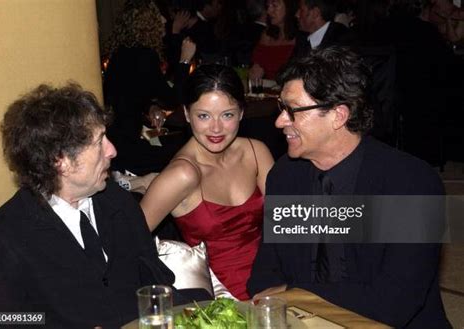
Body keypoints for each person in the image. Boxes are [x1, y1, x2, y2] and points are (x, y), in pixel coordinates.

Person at [247, 46, 451, 328]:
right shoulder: (286, 175)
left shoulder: (411, 183)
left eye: (292, 111)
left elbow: (395, 303)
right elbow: (265, 273)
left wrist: (297, 295)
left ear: (338, 116)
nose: (280, 121)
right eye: (282, 108)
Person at [0, 83, 210, 329]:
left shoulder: (117, 201)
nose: (112, 150)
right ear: (60, 161)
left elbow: (157, 284)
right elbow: (3, 319)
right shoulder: (5, 235)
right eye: (99, 142)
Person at [140, 64, 274, 300]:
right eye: (203, 115)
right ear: (187, 114)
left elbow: (289, 224)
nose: (216, 128)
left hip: (274, 287)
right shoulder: (182, 174)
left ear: (242, 112)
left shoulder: (256, 152)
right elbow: (127, 241)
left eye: (227, 115)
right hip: (223, 305)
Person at [102, 0, 196, 173]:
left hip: (116, 139)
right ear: (146, 24)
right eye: (157, 16)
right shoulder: (145, 55)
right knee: (186, 156)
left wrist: (149, 106)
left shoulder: (121, 52)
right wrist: (185, 61)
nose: (163, 20)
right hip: (126, 146)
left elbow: (128, 92)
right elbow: (173, 99)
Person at [249, 0, 298, 80]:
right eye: (268, 6)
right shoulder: (267, 35)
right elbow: (256, 70)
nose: (268, 11)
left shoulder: (301, 38)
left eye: (274, 6)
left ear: (289, 7)